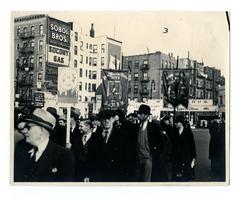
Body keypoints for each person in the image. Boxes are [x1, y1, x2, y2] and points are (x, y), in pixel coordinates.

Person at [14, 108, 75, 182]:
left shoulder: (64, 155)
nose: (25, 131)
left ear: (42, 131)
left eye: (29, 127)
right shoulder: (20, 147)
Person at [131, 104, 170, 182]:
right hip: (138, 158)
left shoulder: (154, 127)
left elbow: (162, 142)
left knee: (147, 180)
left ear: (146, 115)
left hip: (148, 159)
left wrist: (156, 153)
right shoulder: (136, 127)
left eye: (140, 114)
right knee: (137, 180)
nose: (138, 116)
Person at [94, 110, 128, 182]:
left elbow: (127, 157)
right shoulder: (95, 136)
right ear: (100, 120)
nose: (106, 121)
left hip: (116, 175)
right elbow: (91, 156)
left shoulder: (122, 136)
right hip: (99, 174)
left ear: (113, 119)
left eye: (109, 118)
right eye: (104, 119)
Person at [171, 115, 196, 182]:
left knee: (186, 177)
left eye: (176, 122)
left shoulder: (188, 133)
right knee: (176, 177)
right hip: (177, 159)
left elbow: (192, 146)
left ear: (181, 123)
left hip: (186, 158)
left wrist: (193, 158)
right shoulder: (174, 132)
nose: (175, 124)